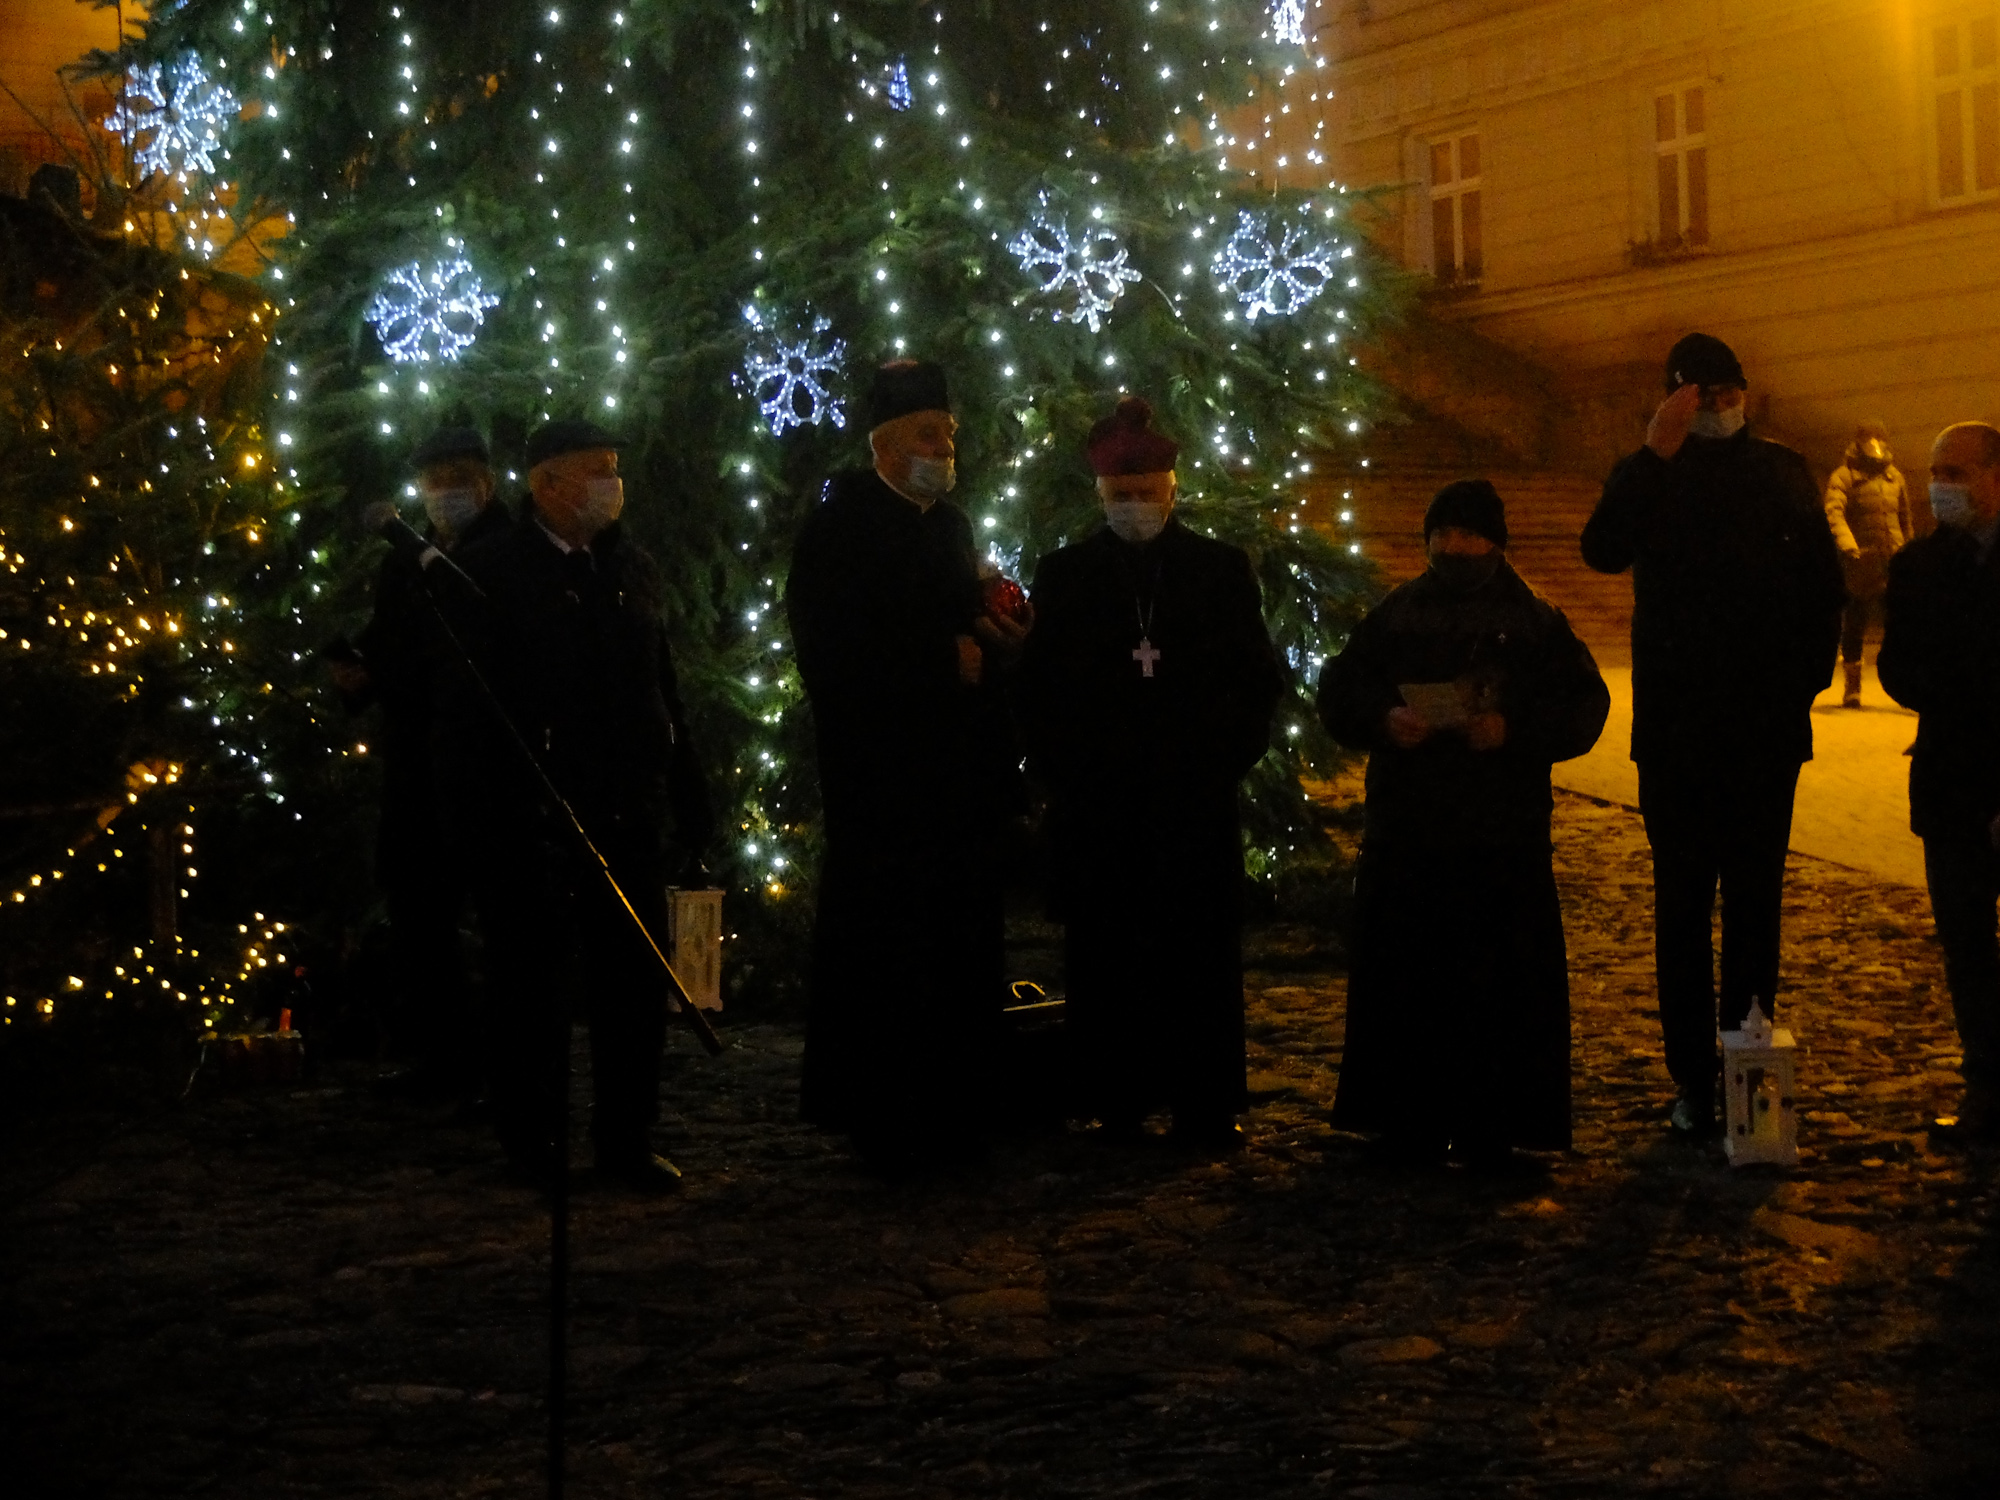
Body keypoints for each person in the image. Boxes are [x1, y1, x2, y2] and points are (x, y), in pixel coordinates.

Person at [1581, 333, 1846, 1136]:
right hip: (1677, 733)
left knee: (1757, 909)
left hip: (1762, 732)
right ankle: (1693, 1079)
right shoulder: (1654, 473)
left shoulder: (1780, 468)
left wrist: (1799, 683)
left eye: (1730, 394)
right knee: (1682, 909)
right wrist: (1648, 458)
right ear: (1674, 401)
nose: (1720, 409)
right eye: (1703, 397)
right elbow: (1601, 549)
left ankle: (1749, 1069)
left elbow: (1821, 590)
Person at [440, 418, 713, 1191]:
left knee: (630, 982)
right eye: (596, 470)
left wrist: (682, 783)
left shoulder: (631, 568)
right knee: (532, 984)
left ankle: (626, 1137)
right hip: (534, 816)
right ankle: (533, 1138)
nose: (610, 485)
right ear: (547, 484)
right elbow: (470, 712)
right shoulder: (494, 575)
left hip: (627, 805)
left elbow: (660, 687)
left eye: (615, 470)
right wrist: (488, 811)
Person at [1016, 397, 1283, 1151]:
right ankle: (1115, 1100)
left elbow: (1254, 680)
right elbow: (1040, 689)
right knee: (1107, 956)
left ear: (1171, 490)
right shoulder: (1067, 575)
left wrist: (1219, 760)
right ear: (1102, 498)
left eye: (1145, 495)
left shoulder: (1220, 571)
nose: (1134, 507)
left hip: (1193, 798)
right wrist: (1068, 771)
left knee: (1197, 957)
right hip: (1100, 803)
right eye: (1120, 498)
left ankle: (1204, 1103)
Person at [1319, 480, 1608, 1166]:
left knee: (1496, 985)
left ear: (1495, 543)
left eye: (1468, 537)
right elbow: (1344, 687)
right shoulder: (1396, 613)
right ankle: (1404, 1119)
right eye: (1442, 536)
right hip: (1410, 829)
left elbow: (1582, 705)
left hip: (1498, 834)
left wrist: (1513, 728)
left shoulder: (1535, 619)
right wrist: (1384, 719)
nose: (1454, 548)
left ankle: (1493, 1123)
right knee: (1406, 983)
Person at [786, 360, 1027, 1173]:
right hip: (883, 779)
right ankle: (882, 1114)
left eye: (949, 433)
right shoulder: (841, 522)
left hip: (957, 780)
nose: (944, 446)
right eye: (929, 433)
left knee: (957, 940)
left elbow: (960, 623)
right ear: (886, 444)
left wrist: (995, 637)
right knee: (889, 946)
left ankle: (959, 1105)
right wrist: (937, 658)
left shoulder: (949, 524)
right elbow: (830, 645)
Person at [330, 425, 510, 1103]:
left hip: (484, 760)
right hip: (416, 759)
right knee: (420, 912)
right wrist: (359, 676)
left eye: (455, 481)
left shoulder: (503, 554)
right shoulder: (407, 559)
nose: (442, 496)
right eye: (432, 483)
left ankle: (504, 1061)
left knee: (497, 916)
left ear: (485, 485)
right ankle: (444, 1057)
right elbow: (389, 643)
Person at [1877, 421, 2000, 1146]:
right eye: (1934, 473)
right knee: (1966, 944)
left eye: (1954, 472)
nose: (1939, 487)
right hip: (1953, 782)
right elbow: (1899, 665)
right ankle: (1986, 1081)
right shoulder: (1921, 564)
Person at [1823, 422, 1913, 707]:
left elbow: (1904, 517)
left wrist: (1910, 552)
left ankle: (1908, 685)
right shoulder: (1845, 475)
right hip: (1862, 560)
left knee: (1904, 622)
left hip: (1893, 560)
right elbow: (1834, 512)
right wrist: (1849, 546)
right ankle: (1852, 685)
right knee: (1856, 623)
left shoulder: (1894, 477)